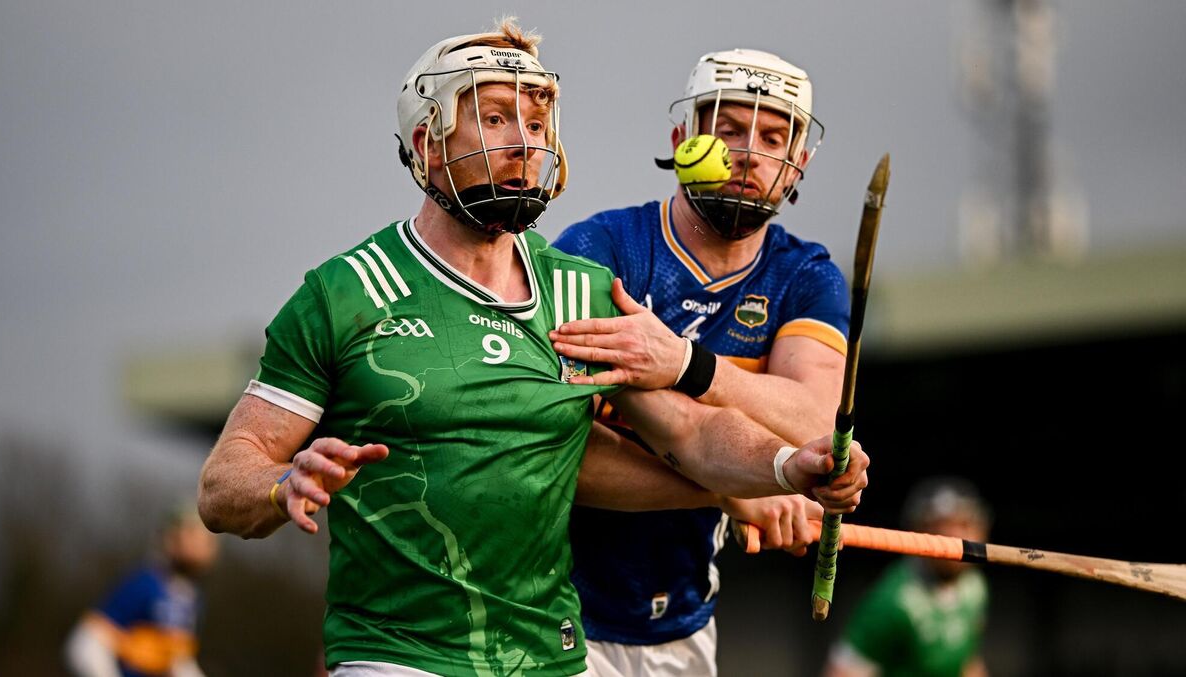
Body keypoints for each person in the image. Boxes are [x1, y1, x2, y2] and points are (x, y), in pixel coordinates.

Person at [196, 20, 869, 677]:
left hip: (551, 654)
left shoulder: (580, 290)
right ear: (428, 142)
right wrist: (282, 482)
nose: (524, 141)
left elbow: (688, 432)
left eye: (538, 124)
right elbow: (224, 483)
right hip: (397, 655)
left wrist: (783, 464)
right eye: (494, 118)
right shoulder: (343, 294)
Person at [550, 48, 846, 675]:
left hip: (686, 624)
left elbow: (811, 422)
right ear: (684, 136)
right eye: (730, 129)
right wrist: (739, 487)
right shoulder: (599, 249)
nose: (750, 153)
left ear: (798, 163)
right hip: (549, 611)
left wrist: (685, 364)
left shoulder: (806, 277)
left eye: (773, 137)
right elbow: (556, 448)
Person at [824, 477, 992, 677]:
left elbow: (967, 659)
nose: (955, 536)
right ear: (918, 532)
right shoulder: (891, 601)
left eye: (965, 524)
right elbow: (842, 672)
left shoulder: (975, 587)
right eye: (941, 525)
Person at [65, 504, 218, 677]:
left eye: (208, 538)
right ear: (170, 538)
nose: (202, 543)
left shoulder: (193, 599)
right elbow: (86, 642)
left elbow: (177, 660)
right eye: (192, 533)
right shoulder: (145, 584)